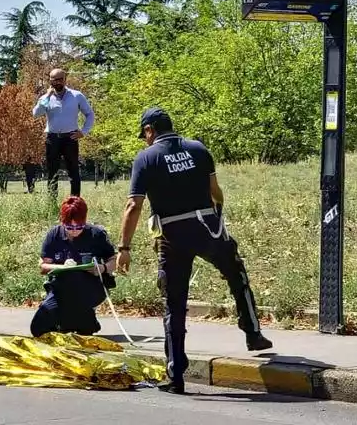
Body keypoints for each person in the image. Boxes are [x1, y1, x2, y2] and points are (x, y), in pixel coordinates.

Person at [115, 107, 272, 395]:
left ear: (150, 130)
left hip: (172, 235)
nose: (145, 140)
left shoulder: (146, 158)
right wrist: (218, 217)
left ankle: (176, 376)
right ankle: (252, 332)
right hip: (207, 227)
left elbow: (133, 206)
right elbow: (215, 191)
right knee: (236, 273)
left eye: (145, 135)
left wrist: (124, 247)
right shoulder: (199, 149)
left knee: (173, 304)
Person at [30, 196, 117, 338]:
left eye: (79, 226)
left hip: (91, 288)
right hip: (60, 288)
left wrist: (102, 268)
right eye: (69, 227)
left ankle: (84, 321)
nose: (74, 231)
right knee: (38, 329)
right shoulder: (54, 235)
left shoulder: (97, 234)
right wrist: (61, 267)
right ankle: (77, 321)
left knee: (76, 282)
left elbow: (114, 260)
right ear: (62, 221)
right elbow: (43, 266)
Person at [31, 68, 94, 198]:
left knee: (74, 172)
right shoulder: (45, 98)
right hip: (52, 139)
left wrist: (84, 132)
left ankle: (75, 203)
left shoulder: (76, 96)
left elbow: (89, 114)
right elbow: (36, 114)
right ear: (50, 81)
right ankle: (52, 203)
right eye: (55, 80)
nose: (58, 82)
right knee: (52, 173)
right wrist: (47, 96)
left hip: (70, 138)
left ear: (65, 80)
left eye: (61, 79)